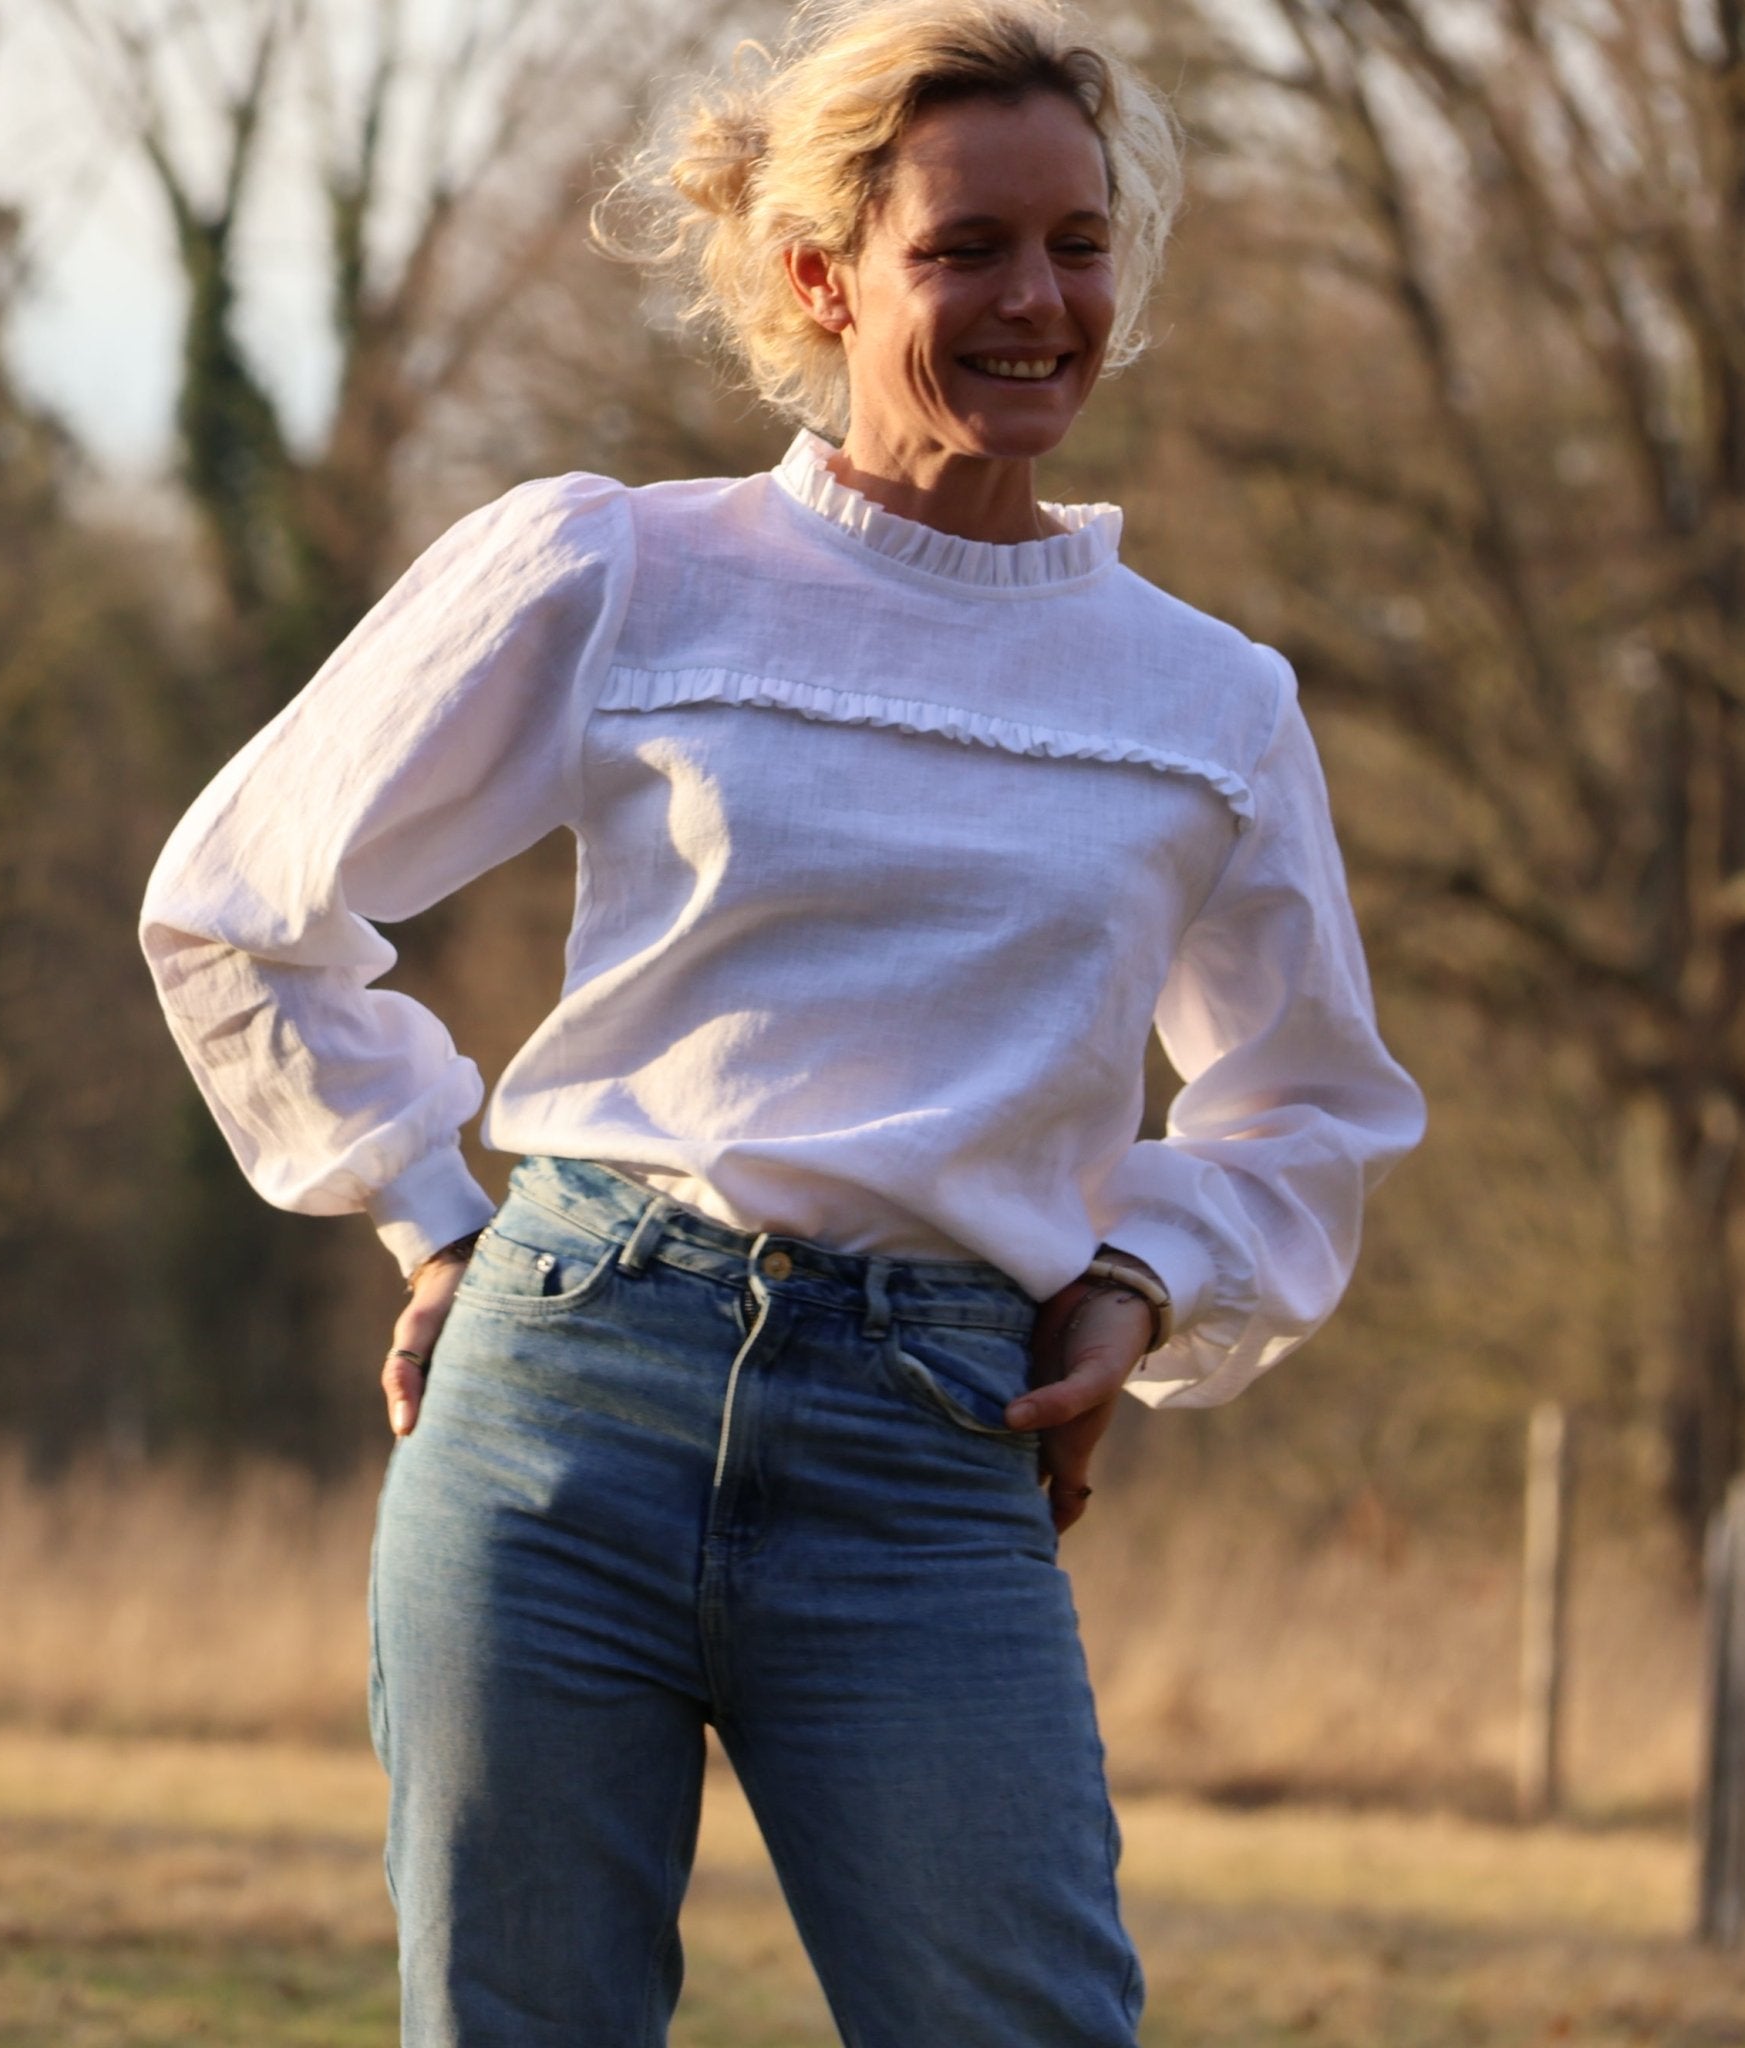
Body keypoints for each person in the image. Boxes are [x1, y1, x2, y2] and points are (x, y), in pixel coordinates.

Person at [139, 0, 1426, 2038]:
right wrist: (433, 1219)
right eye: (968, 248)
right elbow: (237, 902)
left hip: (935, 1446)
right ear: (823, 277)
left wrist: (1137, 1284)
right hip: (566, 1400)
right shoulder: (617, 572)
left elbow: (1310, 1104)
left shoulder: (1209, 702)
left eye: (1078, 244)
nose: (1039, 301)